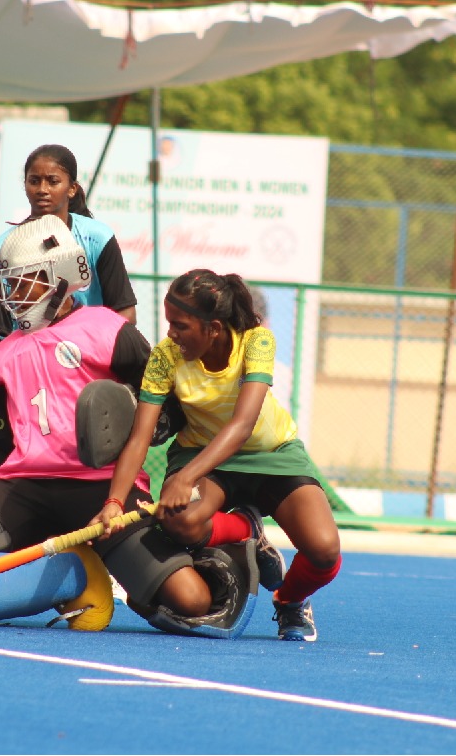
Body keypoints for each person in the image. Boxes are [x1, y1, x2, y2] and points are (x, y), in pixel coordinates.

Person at [0, 216, 251, 635]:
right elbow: (5, 446)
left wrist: (133, 422)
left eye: (22, 282)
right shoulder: (1, 356)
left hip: (101, 487)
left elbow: (163, 407)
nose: (11, 295)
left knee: (193, 601)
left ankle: (234, 550)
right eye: (8, 284)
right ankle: (74, 571)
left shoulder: (108, 330)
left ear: (60, 278)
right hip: (23, 486)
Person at [110, 269, 342, 642]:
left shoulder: (256, 341)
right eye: (169, 323)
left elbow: (242, 425)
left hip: (271, 454)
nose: (170, 333)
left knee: (324, 550)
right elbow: (139, 438)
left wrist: (185, 480)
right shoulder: (165, 357)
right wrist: (114, 501)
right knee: (179, 520)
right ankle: (249, 530)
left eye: (180, 325)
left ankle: (289, 601)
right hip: (203, 454)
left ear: (214, 329)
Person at [0, 144, 138, 469]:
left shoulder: (97, 238)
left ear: (72, 188)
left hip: (84, 366)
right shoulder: (0, 251)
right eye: (33, 180)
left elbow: (125, 314)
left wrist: (91, 360)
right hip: (25, 366)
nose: (42, 190)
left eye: (52, 181)